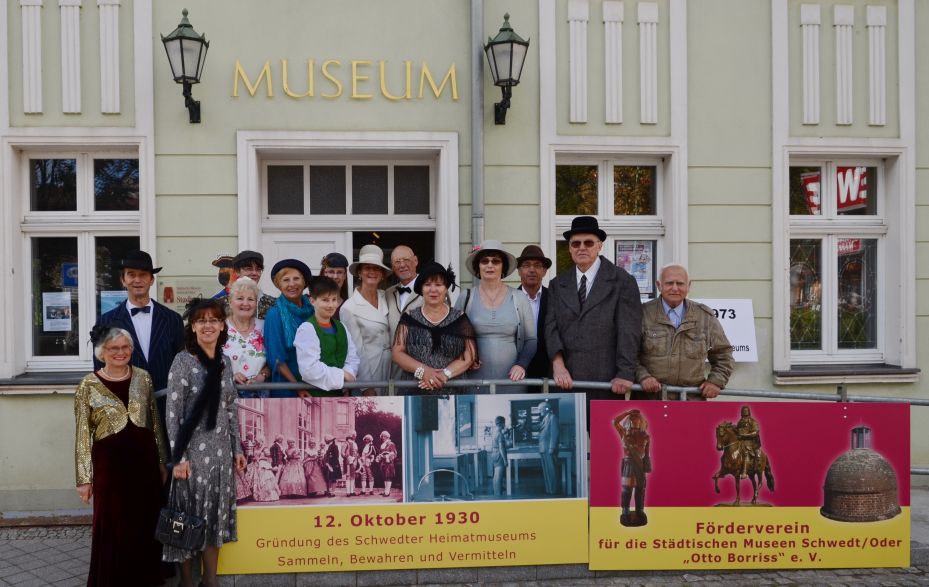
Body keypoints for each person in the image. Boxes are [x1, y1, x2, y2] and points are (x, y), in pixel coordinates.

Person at [75, 326, 167, 586]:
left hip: (144, 461)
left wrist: (161, 460)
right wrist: (84, 477)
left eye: (126, 347)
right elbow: (82, 433)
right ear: (102, 352)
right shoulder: (88, 384)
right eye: (114, 348)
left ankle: (144, 579)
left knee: (145, 519)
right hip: (109, 464)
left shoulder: (143, 377)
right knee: (112, 520)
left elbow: (155, 421)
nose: (121, 352)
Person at [163, 299, 246, 587]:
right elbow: (173, 414)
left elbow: (231, 407)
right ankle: (187, 581)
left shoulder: (225, 361)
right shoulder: (183, 361)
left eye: (214, 320)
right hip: (191, 458)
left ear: (223, 325)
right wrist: (179, 458)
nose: (208, 325)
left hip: (221, 455)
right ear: (193, 326)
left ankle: (210, 580)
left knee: (215, 518)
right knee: (187, 519)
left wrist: (237, 448)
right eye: (202, 320)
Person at [545, 216, 642, 403]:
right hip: (565, 380)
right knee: (569, 432)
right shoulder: (557, 284)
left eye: (588, 242)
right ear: (569, 248)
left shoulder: (622, 281)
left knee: (603, 433)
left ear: (599, 246)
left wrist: (625, 373)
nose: (582, 247)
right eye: (575, 243)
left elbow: (629, 331)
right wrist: (558, 365)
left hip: (607, 382)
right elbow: (551, 328)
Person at [93, 249, 184, 438]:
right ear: (123, 280)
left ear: (151, 280)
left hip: (167, 409)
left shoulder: (172, 320)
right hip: (126, 410)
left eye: (143, 275)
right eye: (131, 275)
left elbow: (181, 365)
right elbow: (100, 371)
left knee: (165, 465)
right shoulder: (106, 322)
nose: (137, 280)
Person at [634, 264, 734, 400]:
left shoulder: (704, 316)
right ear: (659, 285)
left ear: (689, 286)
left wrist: (715, 381)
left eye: (680, 283)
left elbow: (723, 353)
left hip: (691, 400)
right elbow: (628, 353)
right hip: (649, 399)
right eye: (669, 283)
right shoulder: (642, 314)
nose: (675, 288)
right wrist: (643, 376)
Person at [456, 240, 537, 393]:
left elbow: (531, 339)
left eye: (496, 261)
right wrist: (465, 355)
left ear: (503, 267)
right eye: (484, 261)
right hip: (474, 380)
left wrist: (522, 364)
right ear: (478, 266)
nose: (490, 265)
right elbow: (453, 337)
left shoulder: (519, 297)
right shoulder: (465, 297)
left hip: (513, 380)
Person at [391, 262, 477, 394]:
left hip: (454, 391)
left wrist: (444, 375)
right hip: (415, 390)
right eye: (427, 285)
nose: (433, 290)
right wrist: (423, 371)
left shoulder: (460, 318)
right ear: (421, 289)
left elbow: (469, 355)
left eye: (438, 285)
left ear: (446, 288)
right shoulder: (409, 318)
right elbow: (397, 354)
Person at [340, 245, 392, 395]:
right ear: (359, 273)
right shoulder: (349, 308)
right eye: (367, 268)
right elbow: (356, 351)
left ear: (382, 274)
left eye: (376, 268)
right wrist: (366, 386)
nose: (372, 272)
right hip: (369, 370)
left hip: (391, 369)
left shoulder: (386, 297)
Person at [295, 276, 360, 396]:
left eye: (334, 299)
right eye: (325, 300)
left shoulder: (341, 327)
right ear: (312, 301)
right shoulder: (307, 329)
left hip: (340, 394)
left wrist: (347, 377)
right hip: (315, 397)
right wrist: (342, 375)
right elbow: (309, 369)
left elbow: (352, 358)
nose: (331, 305)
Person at [263, 259, 314, 397]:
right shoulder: (275, 314)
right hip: (287, 387)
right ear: (278, 284)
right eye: (286, 280)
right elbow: (276, 359)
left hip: (315, 382)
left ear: (304, 282)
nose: (292, 284)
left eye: (296, 278)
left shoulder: (314, 311)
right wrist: (297, 387)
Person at [222, 277, 272, 398]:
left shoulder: (265, 326)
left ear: (256, 303)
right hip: (226, 396)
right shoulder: (220, 327)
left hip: (260, 396)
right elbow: (209, 361)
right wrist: (229, 375)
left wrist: (263, 375)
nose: (245, 303)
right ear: (230, 301)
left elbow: (274, 360)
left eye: (250, 299)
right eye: (240, 298)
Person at [516, 245, 553, 384]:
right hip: (516, 372)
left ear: (544, 271)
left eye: (537, 265)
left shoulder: (554, 299)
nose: (532, 270)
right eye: (526, 265)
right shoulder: (509, 299)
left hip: (548, 373)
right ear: (519, 271)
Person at [214, 250, 278, 319]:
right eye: (249, 269)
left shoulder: (272, 303)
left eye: (258, 269)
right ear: (237, 271)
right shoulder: (219, 304)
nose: (254, 273)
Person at [613, 409, 650, 527]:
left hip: (639, 465)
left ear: (641, 421)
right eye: (632, 419)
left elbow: (647, 454)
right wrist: (627, 412)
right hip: (628, 465)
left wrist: (646, 466)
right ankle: (625, 511)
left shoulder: (646, 436)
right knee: (626, 490)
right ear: (629, 421)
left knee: (640, 490)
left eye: (637, 419)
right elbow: (615, 421)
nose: (635, 422)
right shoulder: (624, 433)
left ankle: (640, 510)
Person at [385, 245, 422, 337]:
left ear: (415, 261)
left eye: (406, 260)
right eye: (397, 262)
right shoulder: (388, 293)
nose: (402, 265)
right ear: (392, 267)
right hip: (394, 350)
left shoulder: (431, 290)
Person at [538, 401, 560, 495]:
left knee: (552, 470)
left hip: (548, 449)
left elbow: (554, 434)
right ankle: (549, 490)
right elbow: (539, 429)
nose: (540, 411)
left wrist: (552, 448)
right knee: (547, 471)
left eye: (541, 409)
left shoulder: (552, 418)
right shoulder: (545, 419)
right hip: (543, 448)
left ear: (546, 409)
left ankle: (554, 491)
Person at [736, 405, 761, 479]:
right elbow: (737, 430)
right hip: (740, 440)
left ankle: (744, 472)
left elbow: (755, 432)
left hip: (750, 441)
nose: (744, 414)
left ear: (748, 413)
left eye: (746, 412)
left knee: (746, 452)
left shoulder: (752, 421)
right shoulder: (740, 422)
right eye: (743, 412)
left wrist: (744, 435)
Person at [376, 430, 398, 497]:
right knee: (384, 477)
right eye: (382, 436)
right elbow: (380, 453)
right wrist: (379, 457)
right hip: (383, 463)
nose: (383, 437)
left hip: (389, 463)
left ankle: (387, 492)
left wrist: (387, 456)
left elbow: (395, 454)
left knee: (388, 477)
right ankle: (386, 491)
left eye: (384, 436)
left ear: (387, 436)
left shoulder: (391, 444)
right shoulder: (382, 445)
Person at [491, 416, 508, 496]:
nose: (505, 424)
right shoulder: (500, 434)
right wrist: (505, 460)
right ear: (502, 423)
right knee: (499, 475)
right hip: (499, 454)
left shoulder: (494, 432)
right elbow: (501, 448)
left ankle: (495, 492)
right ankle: (498, 495)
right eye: (504, 423)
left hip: (494, 453)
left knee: (495, 475)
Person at [342, 431, 359, 497]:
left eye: (355, 435)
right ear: (351, 435)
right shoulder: (346, 443)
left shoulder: (354, 443)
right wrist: (348, 457)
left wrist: (358, 458)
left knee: (353, 476)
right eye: (354, 435)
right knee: (348, 476)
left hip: (354, 462)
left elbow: (357, 453)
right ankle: (348, 492)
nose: (355, 436)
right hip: (348, 462)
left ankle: (352, 491)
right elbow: (342, 452)